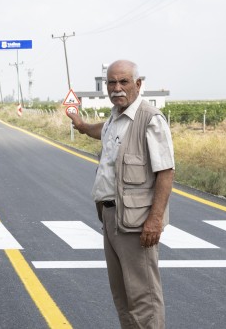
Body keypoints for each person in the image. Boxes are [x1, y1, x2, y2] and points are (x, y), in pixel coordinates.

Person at [67, 60, 174, 329]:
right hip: (112, 218)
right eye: (111, 83)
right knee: (123, 296)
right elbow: (100, 131)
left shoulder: (151, 120)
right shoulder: (115, 118)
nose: (117, 88)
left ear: (138, 84)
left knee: (143, 297)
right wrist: (81, 125)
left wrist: (155, 220)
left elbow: (166, 172)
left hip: (137, 223)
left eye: (123, 81)